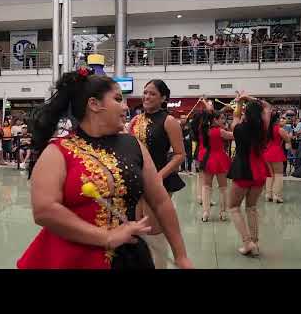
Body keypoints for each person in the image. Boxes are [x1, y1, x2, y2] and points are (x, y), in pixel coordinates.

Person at [17, 69, 193, 269]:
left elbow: (161, 201)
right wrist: (106, 236)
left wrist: (181, 255)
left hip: (128, 257)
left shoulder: (133, 145)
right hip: (74, 257)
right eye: (118, 99)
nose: (125, 107)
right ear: (94, 104)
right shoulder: (58, 151)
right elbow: (44, 210)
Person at [128, 79, 186, 268]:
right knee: (136, 230)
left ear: (163, 98)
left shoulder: (169, 121)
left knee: (154, 232)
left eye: (152, 93)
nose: (146, 97)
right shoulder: (136, 120)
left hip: (159, 182)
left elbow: (179, 155)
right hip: (136, 181)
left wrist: (158, 177)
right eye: (145, 92)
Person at [227, 91, 271, 256]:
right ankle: (256, 242)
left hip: (242, 170)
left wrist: (239, 102)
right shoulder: (264, 126)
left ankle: (247, 243)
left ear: (246, 113)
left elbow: (236, 117)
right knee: (251, 207)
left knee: (233, 207)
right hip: (260, 171)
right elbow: (267, 106)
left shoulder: (238, 128)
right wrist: (250, 99)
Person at [199, 107, 233, 222]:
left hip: (207, 159)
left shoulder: (205, 130)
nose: (223, 120)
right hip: (219, 159)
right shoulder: (220, 131)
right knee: (223, 187)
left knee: (206, 187)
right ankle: (223, 212)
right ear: (215, 120)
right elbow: (233, 135)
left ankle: (205, 212)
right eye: (221, 118)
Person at [264, 112, 292, 203]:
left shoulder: (265, 130)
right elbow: (287, 139)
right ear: (276, 120)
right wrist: (289, 136)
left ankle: (268, 194)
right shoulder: (280, 129)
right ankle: (277, 196)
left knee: (269, 175)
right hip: (276, 152)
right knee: (278, 175)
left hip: (266, 152)